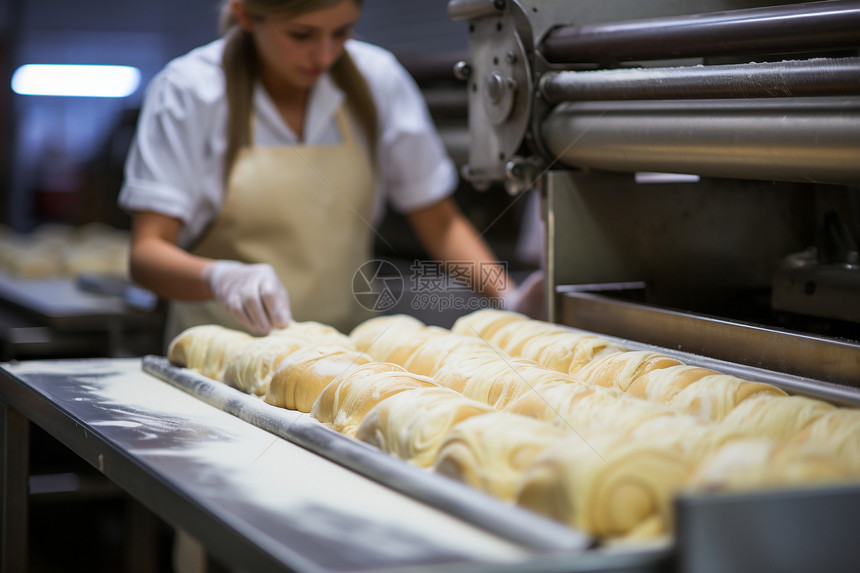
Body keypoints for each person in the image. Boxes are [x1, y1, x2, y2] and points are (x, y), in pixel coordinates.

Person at [119, 0, 541, 341]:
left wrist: (508, 298)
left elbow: (440, 221)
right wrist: (219, 278)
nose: (324, 54)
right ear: (246, 14)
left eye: (342, 32)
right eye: (301, 35)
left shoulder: (378, 80)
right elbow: (146, 255)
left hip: (345, 358)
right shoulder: (190, 92)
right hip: (223, 353)